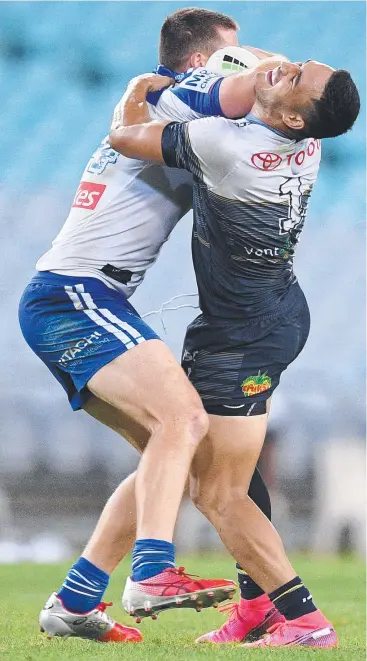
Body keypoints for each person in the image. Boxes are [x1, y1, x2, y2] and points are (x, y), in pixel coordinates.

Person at [18, 8, 284, 643]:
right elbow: (251, 90)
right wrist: (285, 76)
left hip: (77, 294)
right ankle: (153, 574)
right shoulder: (184, 101)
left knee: (171, 458)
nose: (242, 65)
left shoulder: (159, 101)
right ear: (201, 64)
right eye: (232, 54)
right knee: (185, 421)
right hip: (76, 295)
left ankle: (76, 602)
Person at [108, 57, 360, 648]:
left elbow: (124, 136)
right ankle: (255, 608)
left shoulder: (228, 146)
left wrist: (138, 90)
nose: (281, 69)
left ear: (295, 117)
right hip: (268, 316)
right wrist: (258, 78)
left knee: (217, 492)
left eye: (295, 78)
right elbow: (262, 88)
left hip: (241, 338)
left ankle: (303, 621)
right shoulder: (305, 140)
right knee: (234, 482)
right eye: (296, 65)